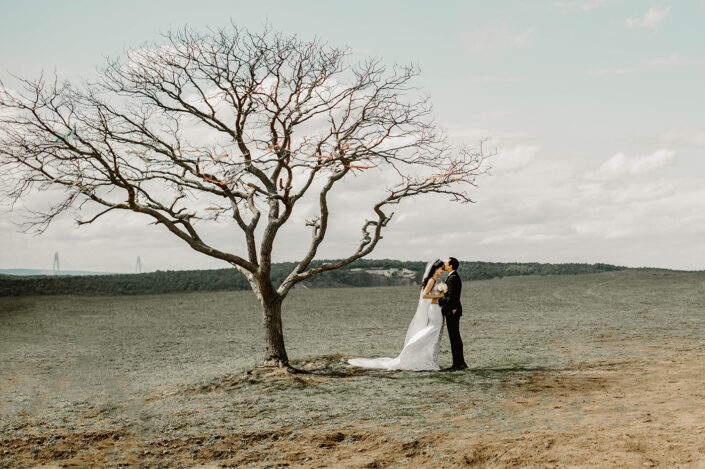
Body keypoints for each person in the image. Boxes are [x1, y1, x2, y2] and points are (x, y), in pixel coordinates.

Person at [347, 259, 446, 371]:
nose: (442, 270)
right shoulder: (432, 280)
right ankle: (412, 348)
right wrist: (439, 295)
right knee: (432, 330)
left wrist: (441, 292)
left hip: (437, 308)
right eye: (441, 268)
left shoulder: (437, 280)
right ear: (435, 268)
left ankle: (425, 357)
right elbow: (425, 295)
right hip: (434, 309)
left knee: (434, 333)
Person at [439, 257, 468, 371]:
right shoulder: (452, 277)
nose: (444, 263)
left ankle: (458, 364)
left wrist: (441, 303)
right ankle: (460, 363)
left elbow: (452, 297)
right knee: (455, 337)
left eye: (446, 262)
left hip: (452, 311)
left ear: (450, 266)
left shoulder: (453, 278)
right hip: (453, 310)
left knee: (454, 338)